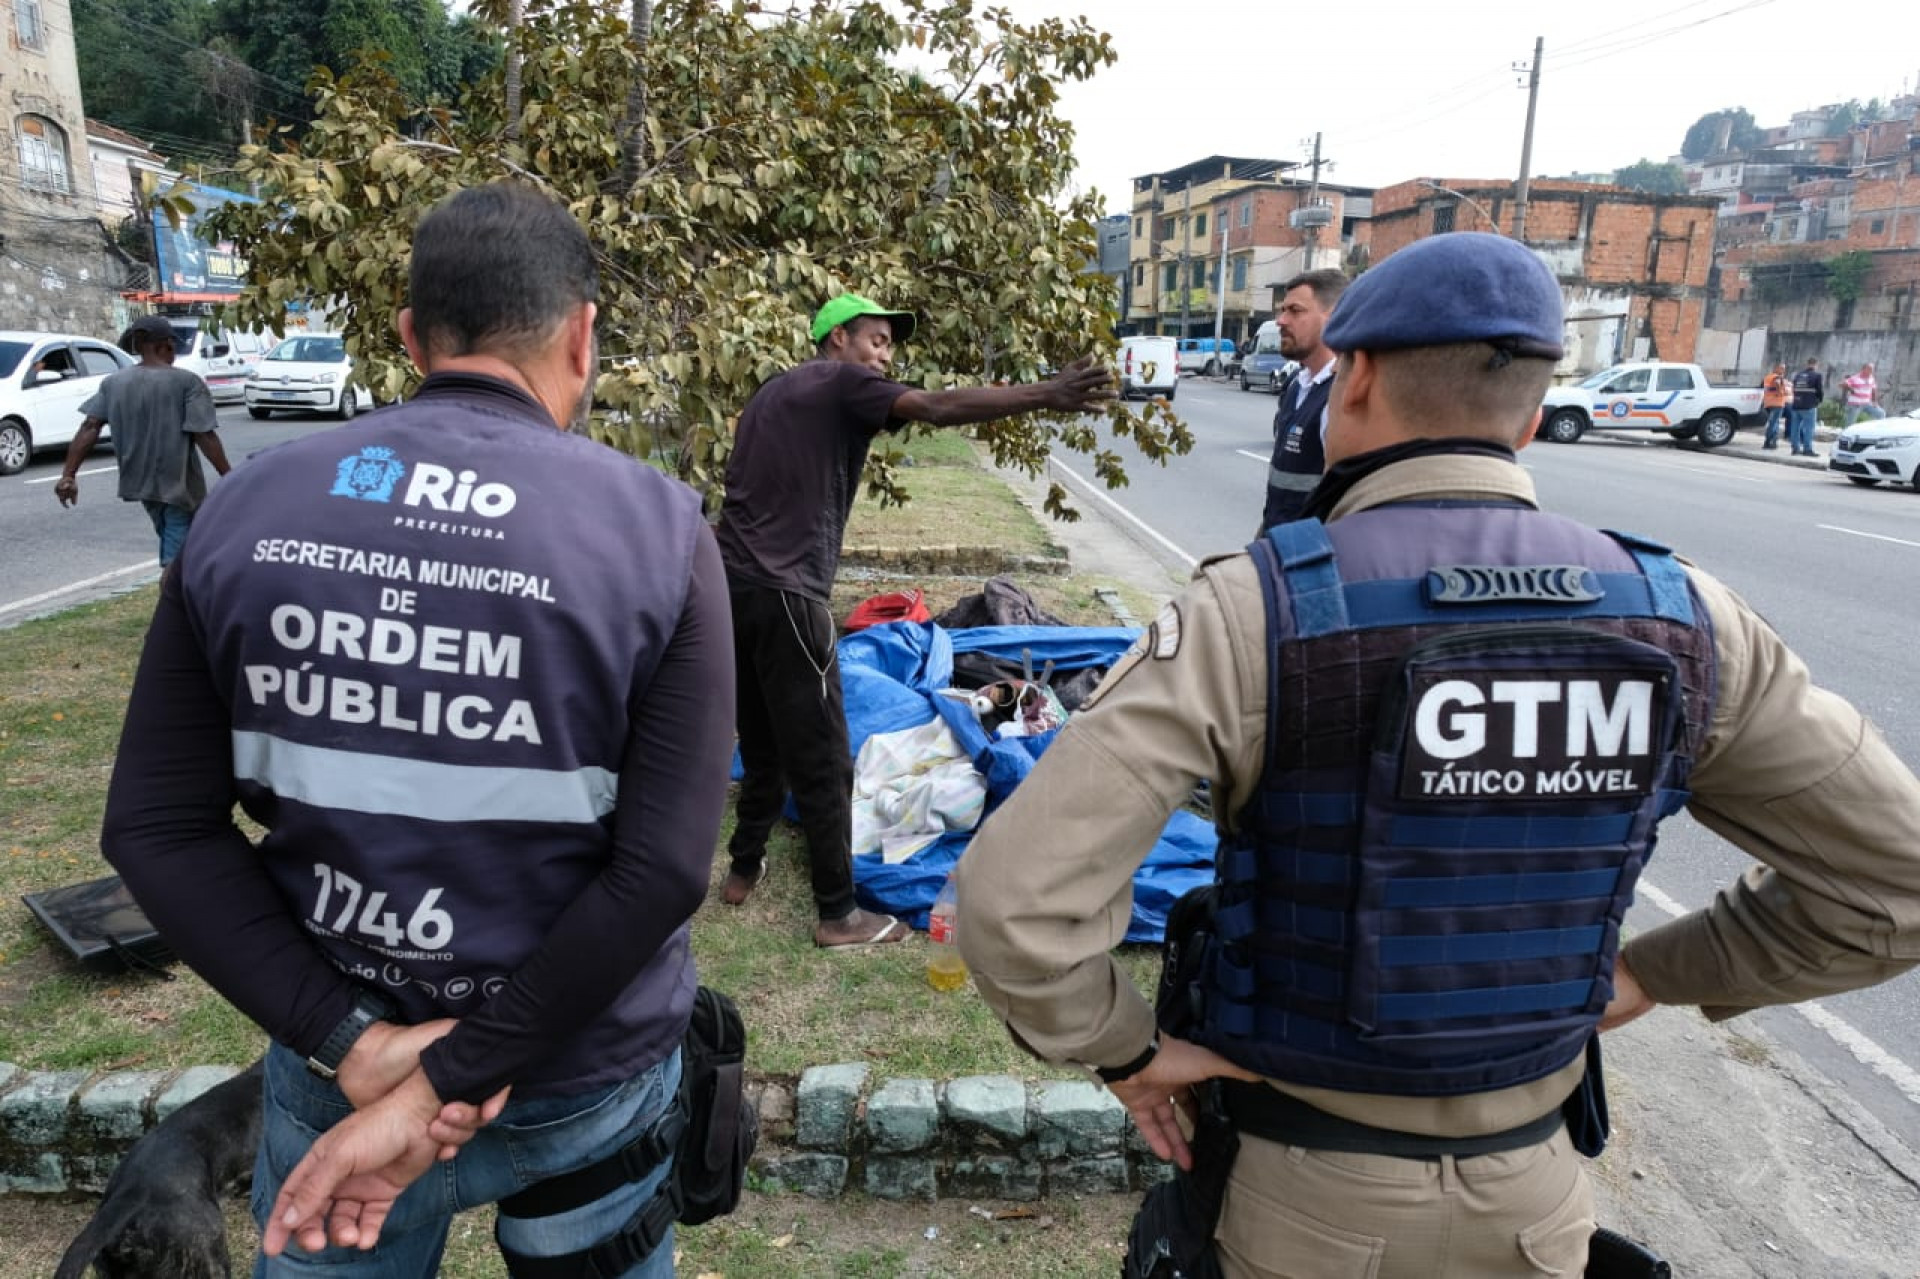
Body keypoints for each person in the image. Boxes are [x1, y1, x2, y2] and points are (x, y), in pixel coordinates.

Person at [956, 232, 1920, 1279]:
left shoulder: (1254, 613)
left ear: (1353, 378)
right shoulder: (1689, 620)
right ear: (1535, 418)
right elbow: (1894, 884)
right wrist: (1652, 969)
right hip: (1535, 1209)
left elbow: (1015, 906)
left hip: (1302, 1204)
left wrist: (1130, 1052)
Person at [99, 181, 737, 1276]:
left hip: (340, 1065)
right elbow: (665, 869)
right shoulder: (659, 532)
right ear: (583, 335)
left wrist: (359, 1042)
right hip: (580, 1069)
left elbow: (156, 828)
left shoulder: (247, 508)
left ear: (409, 336)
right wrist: (458, 1069)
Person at [714, 293, 1113, 948]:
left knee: (761, 734)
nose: (885, 355)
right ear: (836, 338)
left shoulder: (775, 393)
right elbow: (935, 407)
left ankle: (743, 865)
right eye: (875, 339)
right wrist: (1047, 392)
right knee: (823, 755)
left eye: (890, 345)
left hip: (734, 587)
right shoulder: (843, 380)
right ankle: (838, 912)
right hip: (790, 593)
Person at [54, 313, 230, 566]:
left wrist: (68, 475)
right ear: (166, 345)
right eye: (173, 345)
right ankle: (172, 600)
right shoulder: (186, 382)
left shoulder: (113, 383)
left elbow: (89, 426)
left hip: (141, 485)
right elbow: (204, 435)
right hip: (178, 487)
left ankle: (183, 598)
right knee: (176, 561)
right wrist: (230, 477)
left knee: (180, 548)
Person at [1258, 268, 1348, 531]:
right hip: (1280, 549)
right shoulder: (1297, 385)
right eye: (1282, 310)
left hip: (1309, 558)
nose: (1281, 321)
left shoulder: (1341, 395)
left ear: (1333, 319)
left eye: (1295, 311)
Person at [1788, 356, 1825, 456]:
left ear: (1807, 364)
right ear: (1816, 365)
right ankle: (1807, 449)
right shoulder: (1817, 375)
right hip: (1809, 405)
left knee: (1795, 428)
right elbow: (1820, 390)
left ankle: (1795, 448)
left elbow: (1793, 388)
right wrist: (1819, 400)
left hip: (1796, 404)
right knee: (1809, 428)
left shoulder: (1798, 375)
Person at [1760, 360, 1791, 449]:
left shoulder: (1767, 377)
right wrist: (1782, 392)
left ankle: (1772, 442)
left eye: (1784, 369)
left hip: (1768, 403)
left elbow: (1764, 387)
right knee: (1773, 423)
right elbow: (1778, 384)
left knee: (1774, 422)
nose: (1783, 370)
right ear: (1776, 368)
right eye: (1782, 368)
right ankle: (1768, 442)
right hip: (1777, 403)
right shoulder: (1778, 377)